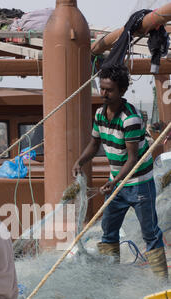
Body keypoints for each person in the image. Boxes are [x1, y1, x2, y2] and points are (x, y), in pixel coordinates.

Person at [72, 64, 168, 279]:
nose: (104, 94)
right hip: (117, 181)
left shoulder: (130, 119)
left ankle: (162, 281)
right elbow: (94, 144)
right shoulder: (99, 114)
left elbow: (133, 159)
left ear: (121, 91)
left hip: (138, 182)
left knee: (150, 232)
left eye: (109, 90)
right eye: (102, 88)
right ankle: (110, 278)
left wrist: (115, 183)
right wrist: (80, 160)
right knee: (108, 230)